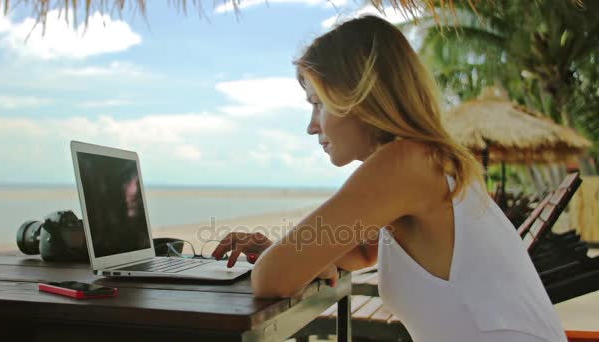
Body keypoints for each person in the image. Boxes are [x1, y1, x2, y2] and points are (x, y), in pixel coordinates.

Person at [212, 15, 567, 342]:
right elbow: (365, 251)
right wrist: (294, 253)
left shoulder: (407, 162)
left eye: (318, 103)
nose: (311, 125)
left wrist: (287, 259)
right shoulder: (429, 160)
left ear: (362, 98)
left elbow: (271, 280)